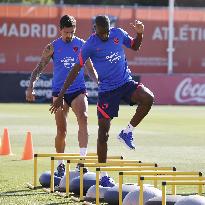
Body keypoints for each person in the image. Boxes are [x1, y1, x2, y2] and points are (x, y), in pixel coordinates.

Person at [49, 15, 154, 185]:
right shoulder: (90, 44)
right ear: (94, 29)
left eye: (106, 32)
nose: (105, 36)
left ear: (109, 28)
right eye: (101, 33)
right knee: (103, 134)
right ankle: (103, 175)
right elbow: (76, 69)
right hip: (107, 91)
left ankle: (127, 132)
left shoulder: (118, 33)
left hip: (125, 83)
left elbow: (135, 46)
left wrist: (140, 34)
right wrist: (61, 95)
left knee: (148, 98)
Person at [26, 15, 98, 177]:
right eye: (66, 32)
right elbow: (38, 69)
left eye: (72, 32)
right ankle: (60, 164)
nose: (69, 35)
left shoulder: (81, 45)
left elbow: (90, 69)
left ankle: (82, 162)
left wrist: (99, 83)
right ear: (60, 30)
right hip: (59, 92)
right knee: (61, 130)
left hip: (78, 89)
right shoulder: (52, 47)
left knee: (84, 117)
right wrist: (31, 87)